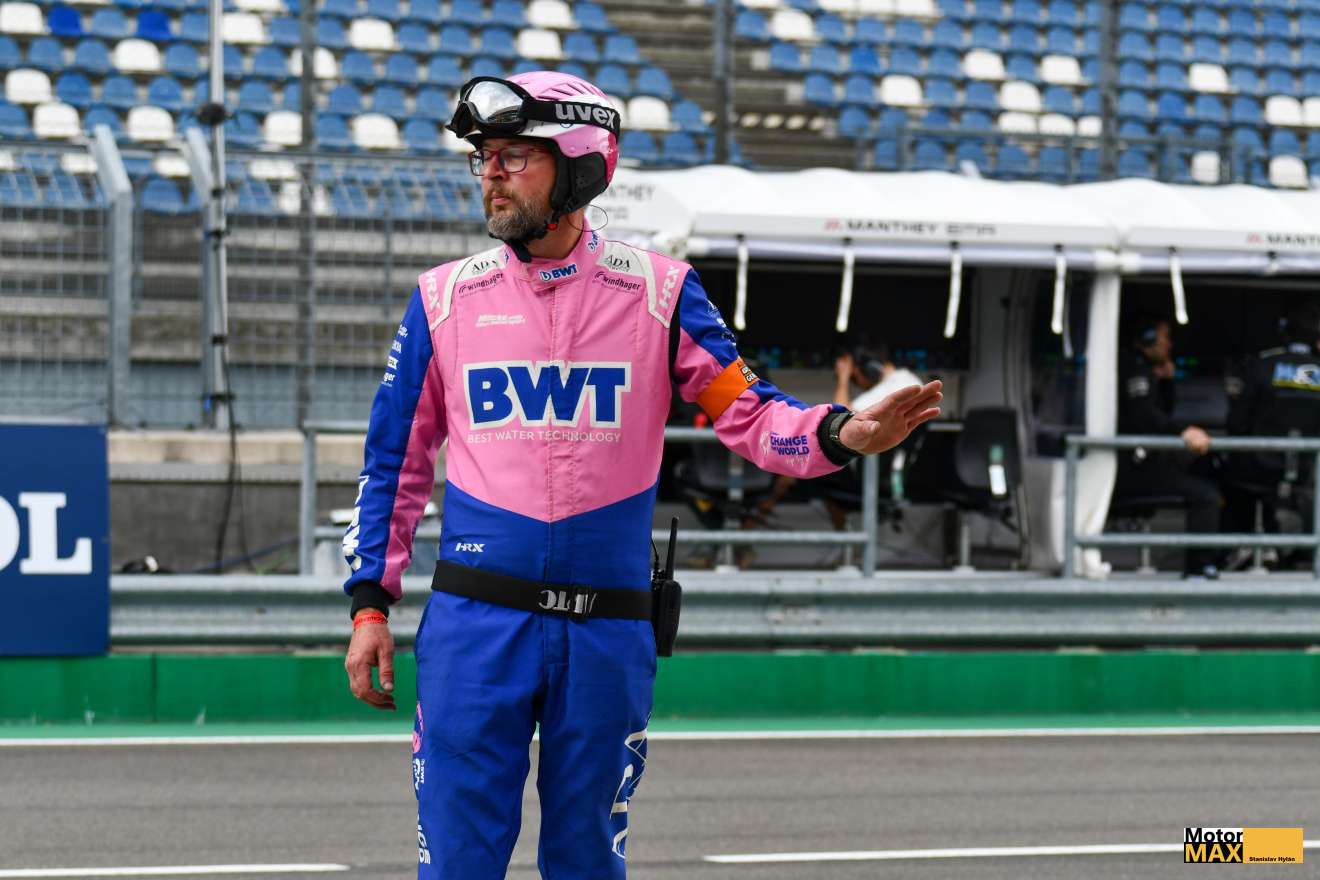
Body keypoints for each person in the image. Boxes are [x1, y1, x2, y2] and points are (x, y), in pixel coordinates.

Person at [339, 71, 944, 880]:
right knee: (455, 865)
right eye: (485, 156)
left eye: (514, 156)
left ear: (579, 166)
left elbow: (749, 412)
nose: (490, 174)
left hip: (607, 631)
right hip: (475, 629)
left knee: (588, 862)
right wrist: (369, 604)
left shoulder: (662, 293)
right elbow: (395, 463)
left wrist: (840, 432)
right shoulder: (442, 300)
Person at [745, 339, 923, 537]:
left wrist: (843, 378)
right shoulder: (906, 381)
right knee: (818, 468)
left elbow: (842, 423)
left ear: (870, 369)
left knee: (794, 465)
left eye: (855, 377)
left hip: (870, 480)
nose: (857, 383)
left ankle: (743, 537)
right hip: (875, 477)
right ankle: (846, 540)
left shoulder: (897, 387)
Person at [1114, 315, 1220, 578]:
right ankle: (1198, 570)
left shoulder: (1144, 369)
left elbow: (1162, 411)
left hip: (1142, 463)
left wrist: (1167, 381)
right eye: (1165, 338)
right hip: (1130, 467)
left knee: (1207, 471)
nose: (1169, 345)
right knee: (1206, 496)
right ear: (1148, 340)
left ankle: (1213, 560)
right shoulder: (1134, 369)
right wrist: (1183, 431)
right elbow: (1144, 415)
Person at [1220, 301, 1320, 568]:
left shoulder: (1260, 365)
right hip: (1308, 469)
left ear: (1283, 332)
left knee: (1218, 470)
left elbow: (1236, 423)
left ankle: (1230, 548)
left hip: (1256, 467)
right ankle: (1296, 552)